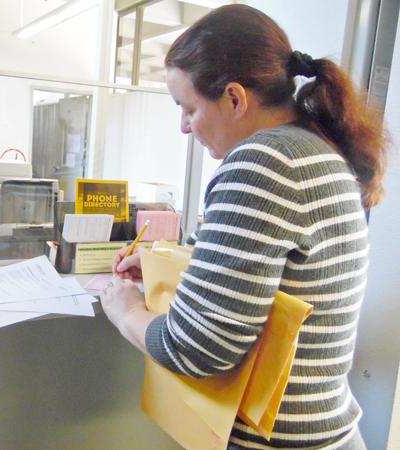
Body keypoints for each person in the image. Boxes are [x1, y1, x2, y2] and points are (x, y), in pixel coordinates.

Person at [100, 5, 387, 450]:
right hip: (328, 433)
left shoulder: (262, 162)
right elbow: (272, 273)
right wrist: (164, 264)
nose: (183, 127)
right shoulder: (314, 151)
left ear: (234, 98)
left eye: (188, 108)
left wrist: (126, 311)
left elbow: (195, 349)